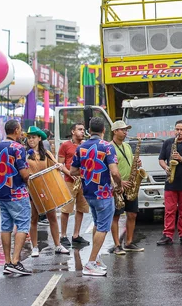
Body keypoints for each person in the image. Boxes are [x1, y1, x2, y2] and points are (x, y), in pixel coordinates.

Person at [71, 117, 122, 276]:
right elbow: (114, 171)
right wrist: (119, 184)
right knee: (103, 227)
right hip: (104, 192)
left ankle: (96, 258)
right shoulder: (107, 147)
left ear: (89, 130)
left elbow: (73, 171)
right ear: (104, 130)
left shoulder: (81, 147)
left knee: (97, 224)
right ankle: (91, 262)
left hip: (88, 192)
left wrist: (88, 172)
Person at [0, 120, 32, 275]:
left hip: (2, 192)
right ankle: (15, 261)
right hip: (17, 193)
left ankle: (7, 262)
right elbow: (24, 174)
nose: (21, 133)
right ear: (15, 130)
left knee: (6, 227)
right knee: (22, 225)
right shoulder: (18, 148)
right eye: (20, 130)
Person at [25, 126, 70, 257]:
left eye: (33, 137)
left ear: (39, 138)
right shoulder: (25, 154)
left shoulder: (46, 153)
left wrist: (72, 174)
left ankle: (58, 245)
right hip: (32, 190)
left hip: (46, 189)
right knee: (34, 218)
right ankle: (34, 247)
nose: (31, 140)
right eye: (29, 137)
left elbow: (58, 166)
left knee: (52, 217)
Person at [156, 120, 182, 245]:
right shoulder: (168, 142)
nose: (179, 132)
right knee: (169, 210)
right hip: (170, 181)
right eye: (177, 129)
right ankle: (167, 235)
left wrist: (181, 158)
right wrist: (166, 167)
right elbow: (161, 159)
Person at [110, 120, 144, 254]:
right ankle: (117, 245)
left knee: (132, 214)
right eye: (122, 130)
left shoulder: (128, 147)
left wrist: (137, 163)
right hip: (117, 186)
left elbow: (130, 161)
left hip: (131, 185)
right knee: (116, 216)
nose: (125, 132)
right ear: (115, 131)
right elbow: (108, 169)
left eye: (126, 130)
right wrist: (120, 182)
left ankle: (129, 242)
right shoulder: (109, 147)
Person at [58, 122, 90, 247]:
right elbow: (60, 164)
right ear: (73, 132)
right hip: (69, 181)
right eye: (80, 129)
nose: (83, 132)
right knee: (66, 210)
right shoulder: (65, 145)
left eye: (83, 129)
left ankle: (76, 235)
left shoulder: (86, 145)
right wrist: (70, 174)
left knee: (81, 208)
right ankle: (63, 235)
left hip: (83, 181)